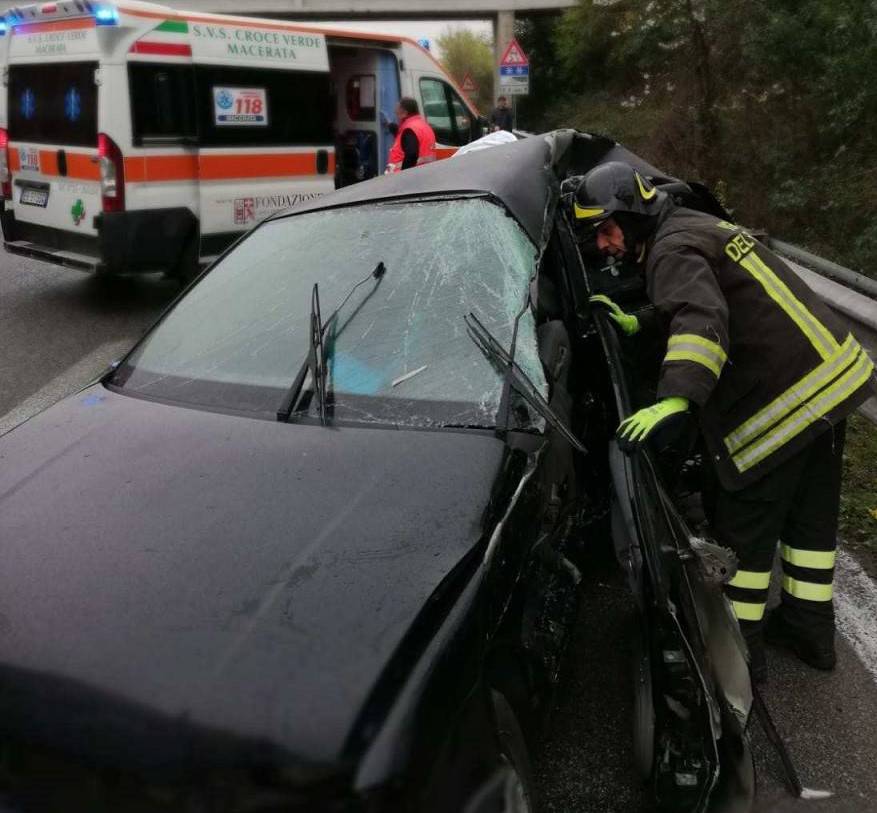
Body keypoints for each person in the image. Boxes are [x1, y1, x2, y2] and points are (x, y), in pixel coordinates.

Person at [574, 161, 876, 682]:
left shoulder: (669, 249)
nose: (603, 245)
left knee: (744, 530)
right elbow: (703, 300)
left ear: (632, 214)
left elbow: (700, 317)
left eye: (607, 230)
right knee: (809, 521)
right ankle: (809, 631)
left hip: (784, 400)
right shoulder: (691, 226)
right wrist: (641, 321)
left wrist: (678, 398)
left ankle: (739, 656)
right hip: (832, 381)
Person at [384, 97, 437, 174]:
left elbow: (412, 154)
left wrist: (404, 173)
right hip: (424, 172)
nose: (395, 112)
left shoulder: (409, 129)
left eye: (397, 111)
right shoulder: (421, 125)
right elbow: (407, 142)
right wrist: (393, 128)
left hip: (409, 176)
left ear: (405, 113)